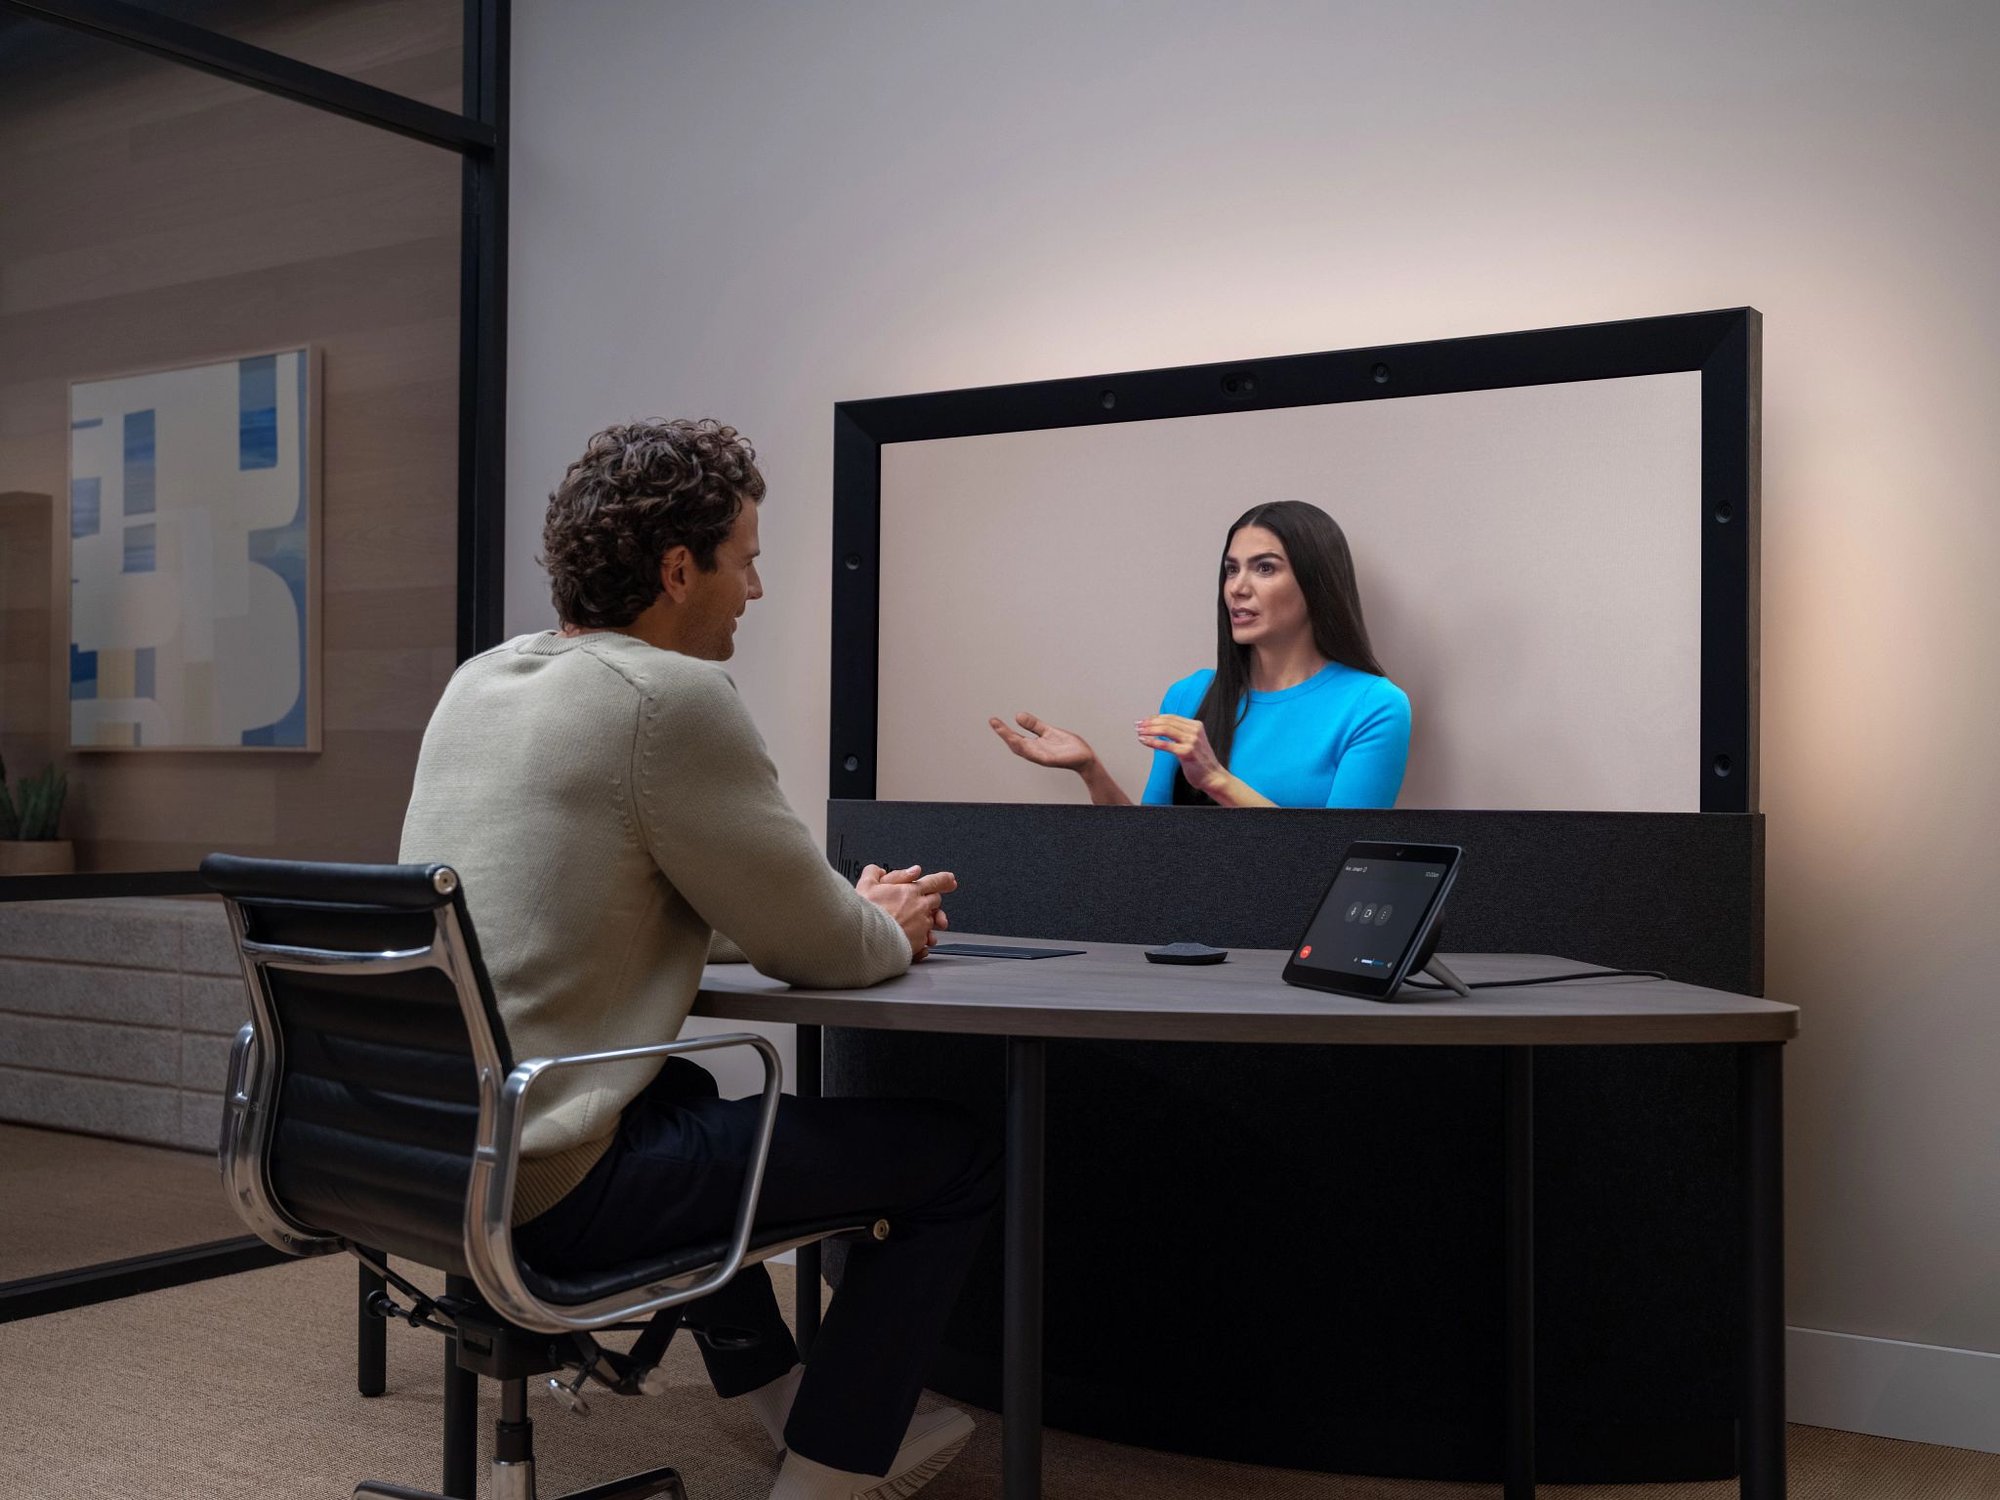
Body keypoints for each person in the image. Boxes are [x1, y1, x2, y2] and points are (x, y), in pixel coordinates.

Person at [400, 418, 998, 1500]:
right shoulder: (668, 701)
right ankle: (827, 1476)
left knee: (669, 1092)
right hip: (546, 1188)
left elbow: (640, 888)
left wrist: (827, 908)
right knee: (956, 1158)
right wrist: (878, 924)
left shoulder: (481, 682)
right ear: (679, 570)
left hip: (425, 1149)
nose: (756, 590)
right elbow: (822, 953)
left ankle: (776, 1399)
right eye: (747, 559)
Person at [989, 500, 1410, 807]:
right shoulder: (1189, 696)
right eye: (1231, 569)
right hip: (1178, 927)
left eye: (1265, 568)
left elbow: (1340, 865)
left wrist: (1213, 778)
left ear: (1316, 583)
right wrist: (1090, 770)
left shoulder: (1373, 706)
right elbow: (1147, 853)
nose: (1237, 588)